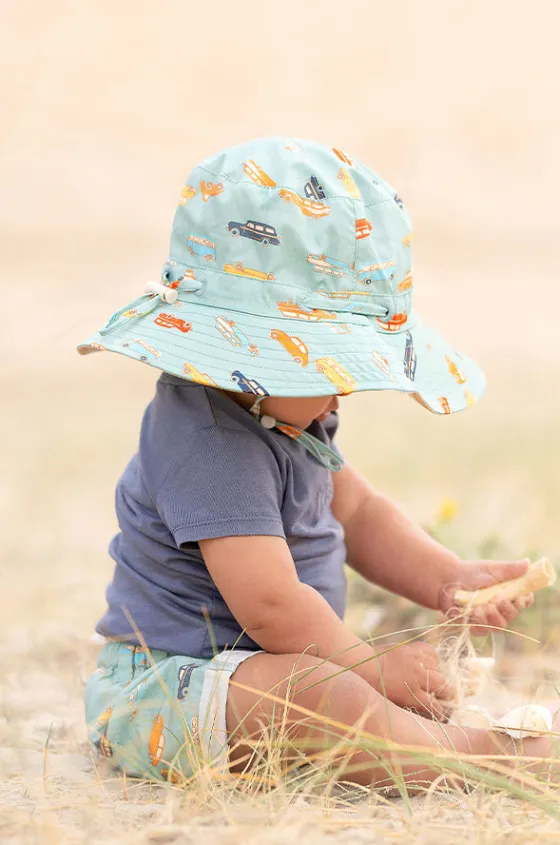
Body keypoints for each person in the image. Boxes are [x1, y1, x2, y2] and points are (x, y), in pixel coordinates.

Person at [77, 137, 555, 787]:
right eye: (327, 364)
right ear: (247, 348)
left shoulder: (283, 410)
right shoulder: (209, 435)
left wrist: (446, 577)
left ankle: (421, 736)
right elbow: (271, 606)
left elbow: (355, 509)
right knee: (322, 693)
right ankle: (478, 755)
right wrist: (370, 667)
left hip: (254, 673)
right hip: (168, 693)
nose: (343, 389)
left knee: (327, 686)